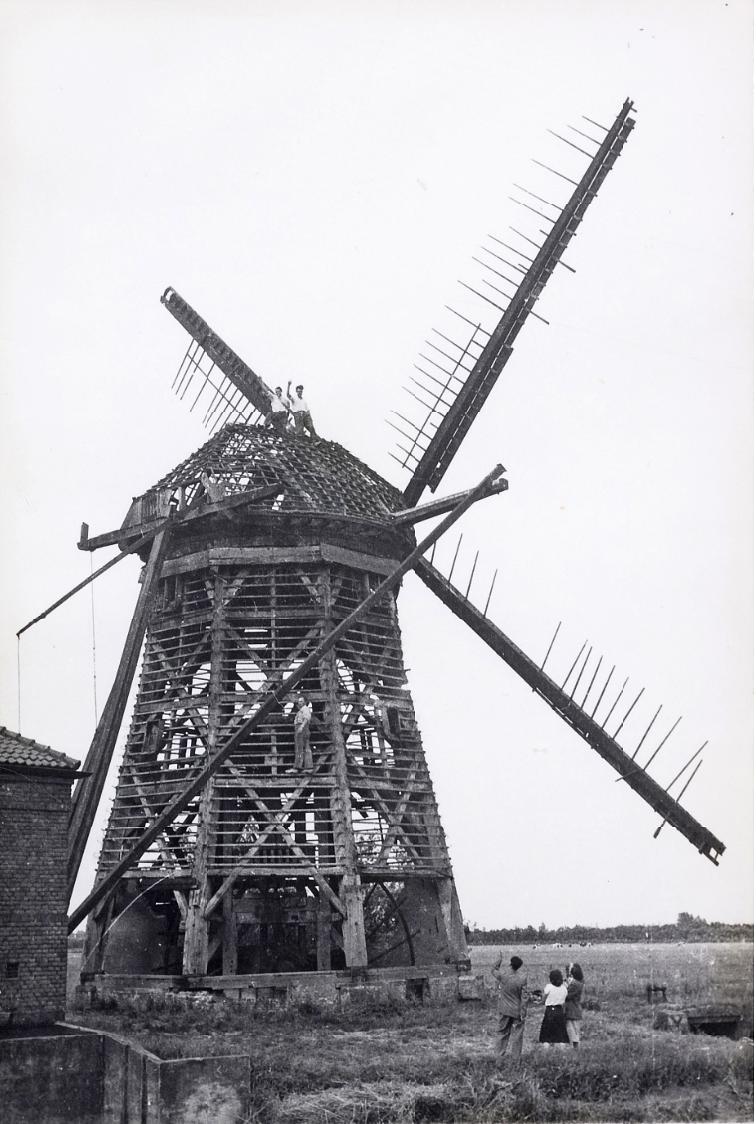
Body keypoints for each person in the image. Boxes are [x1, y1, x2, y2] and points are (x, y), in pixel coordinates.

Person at [491, 953, 528, 1064]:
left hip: (504, 1009)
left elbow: (492, 970)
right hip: (517, 1010)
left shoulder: (503, 975)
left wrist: (498, 961)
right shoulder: (522, 978)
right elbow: (524, 997)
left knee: (502, 1033)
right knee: (517, 1035)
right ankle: (516, 1060)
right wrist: (523, 1011)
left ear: (510, 964)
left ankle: (499, 1058)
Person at [539, 968, 569, 1045]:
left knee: (547, 1033)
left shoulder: (549, 987)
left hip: (549, 1011)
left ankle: (546, 1049)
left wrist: (540, 1002)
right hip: (559, 1010)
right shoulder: (564, 988)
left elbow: (543, 999)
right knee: (560, 1033)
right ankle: (561, 1049)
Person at [291, 695, 313, 770]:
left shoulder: (305, 709)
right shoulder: (301, 710)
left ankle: (298, 767)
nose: (299, 702)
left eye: (301, 701)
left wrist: (301, 727)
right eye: (299, 701)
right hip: (302, 728)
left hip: (302, 728)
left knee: (299, 747)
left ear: (305, 702)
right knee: (306, 747)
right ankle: (308, 766)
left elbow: (306, 718)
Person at [565, 962, 584, 1048]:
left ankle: (574, 1048)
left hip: (572, 1009)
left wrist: (565, 986)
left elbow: (567, 995)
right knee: (575, 1030)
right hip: (575, 1009)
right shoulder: (580, 983)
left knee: (571, 1030)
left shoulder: (575, 984)